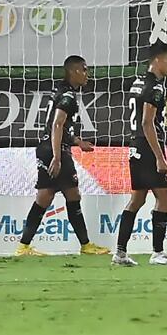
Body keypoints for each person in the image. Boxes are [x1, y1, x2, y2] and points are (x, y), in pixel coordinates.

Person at [14, 55, 108, 257]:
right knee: (68, 195)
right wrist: (57, 157)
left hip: (48, 147)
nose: (87, 74)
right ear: (73, 72)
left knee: (49, 196)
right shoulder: (68, 97)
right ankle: (85, 245)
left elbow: (59, 127)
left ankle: (24, 246)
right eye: (84, 69)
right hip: (55, 151)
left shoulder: (60, 92)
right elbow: (57, 124)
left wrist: (78, 142)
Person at [113, 42, 167, 267]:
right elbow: (147, 123)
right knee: (164, 198)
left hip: (135, 145)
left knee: (138, 198)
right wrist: (160, 158)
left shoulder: (137, 82)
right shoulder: (156, 88)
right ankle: (158, 252)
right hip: (149, 146)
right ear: (157, 60)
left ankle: (120, 252)